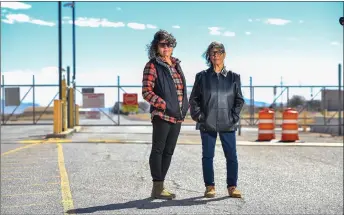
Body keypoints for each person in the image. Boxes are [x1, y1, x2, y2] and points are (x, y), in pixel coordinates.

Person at [189, 41, 245, 198]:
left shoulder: (234, 77)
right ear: (209, 56)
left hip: (228, 122)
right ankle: (210, 187)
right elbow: (194, 100)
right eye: (213, 52)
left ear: (224, 55)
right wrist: (200, 117)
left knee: (231, 156)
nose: (216, 55)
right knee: (207, 155)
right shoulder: (202, 77)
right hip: (207, 122)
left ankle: (232, 187)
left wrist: (233, 117)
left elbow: (239, 100)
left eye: (219, 52)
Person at [141, 30, 189, 200]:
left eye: (169, 44)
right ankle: (157, 186)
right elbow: (146, 92)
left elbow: (181, 90)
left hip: (177, 116)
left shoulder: (176, 64)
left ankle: (161, 187)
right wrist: (163, 105)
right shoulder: (152, 65)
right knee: (158, 150)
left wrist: (184, 108)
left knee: (169, 152)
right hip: (162, 115)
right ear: (156, 46)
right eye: (163, 44)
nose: (166, 47)